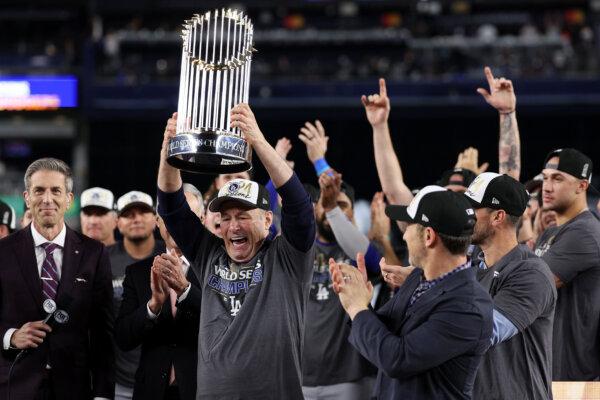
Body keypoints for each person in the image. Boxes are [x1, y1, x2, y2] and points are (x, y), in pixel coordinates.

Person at [157, 106, 315, 399]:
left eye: (243, 216)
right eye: (226, 217)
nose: (232, 226)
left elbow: (299, 205)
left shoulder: (288, 257)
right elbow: (170, 205)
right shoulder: (209, 253)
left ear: (267, 220)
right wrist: (169, 150)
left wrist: (257, 140)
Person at [329, 186, 493, 400]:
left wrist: (357, 308)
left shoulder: (469, 307)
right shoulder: (418, 277)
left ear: (428, 236)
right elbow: (384, 332)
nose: (404, 235)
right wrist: (359, 298)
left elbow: (397, 359)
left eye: (408, 227)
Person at [0, 157, 114, 399]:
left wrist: (103, 393)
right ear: (27, 197)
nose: (47, 199)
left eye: (56, 191)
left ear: (69, 199)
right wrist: (10, 336)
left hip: (74, 388)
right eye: (39, 190)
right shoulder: (3, 251)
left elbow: (103, 333)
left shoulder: (94, 253)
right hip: (15, 386)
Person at [464, 172, 556, 399]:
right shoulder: (472, 268)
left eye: (472, 210)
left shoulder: (531, 273)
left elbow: (483, 332)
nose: (464, 217)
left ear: (498, 217)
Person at [116, 185, 204, 400]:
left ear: (201, 219)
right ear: (157, 221)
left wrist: (186, 291)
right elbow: (124, 338)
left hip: (202, 390)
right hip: (152, 390)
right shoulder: (137, 273)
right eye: (168, 215)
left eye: (186, 215)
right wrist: (153, 306)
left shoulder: (216, 267)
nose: (176, 223)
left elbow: (225, 323)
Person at [301, 170, 379, 400]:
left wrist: (334, 211)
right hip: (299, 375)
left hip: (349, 379)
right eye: (325, 203)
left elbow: (371, 259)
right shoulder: (298, 249)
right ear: (315, 208)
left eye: (340, 204)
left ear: (352, 212)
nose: (330, 209)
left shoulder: (357, 252)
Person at [534, 148, 600, 381]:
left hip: (574, 377)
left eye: (558, 178)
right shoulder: (550, 233)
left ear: (582, 186)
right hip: (550, 369)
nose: (547, 186)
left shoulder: (585, 232)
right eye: (545, 178)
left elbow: (531, 289)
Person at [109, 191, 166, 400]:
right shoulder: (102, 259)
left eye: (143, 211)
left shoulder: (171, 255)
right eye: (128, 214)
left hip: (162, 377)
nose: (136, 218)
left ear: (156, 219)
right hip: (117, 380)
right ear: (117, 222)